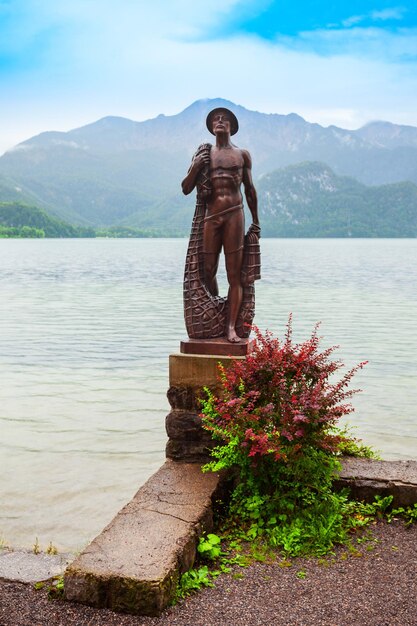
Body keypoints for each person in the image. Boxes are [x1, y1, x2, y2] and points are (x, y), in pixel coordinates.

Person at [181, 107, 260, 343]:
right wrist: (196, 166)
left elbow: (250, 190)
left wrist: (256, 221)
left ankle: (230, 328)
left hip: (234, 214)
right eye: (216, 118)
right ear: (211, 126)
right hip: (211, 216)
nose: (220, 121)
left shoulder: (242, 154)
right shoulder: (203, 155)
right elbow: (185, 188)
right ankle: (213, 318)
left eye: (225, 119)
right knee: (207, 271)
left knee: (234, 274)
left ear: (232, 127)